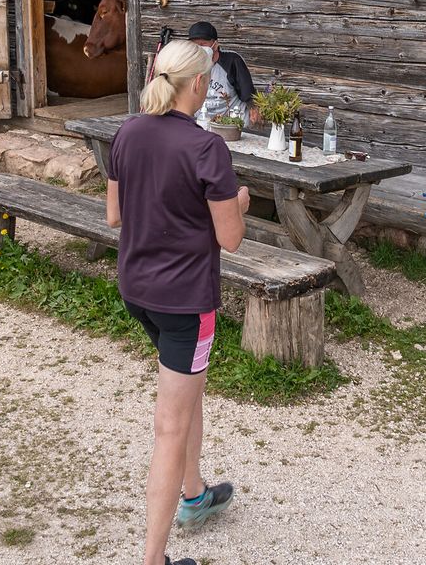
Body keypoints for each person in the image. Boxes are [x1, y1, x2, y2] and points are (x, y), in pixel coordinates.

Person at [105, 40, 252, 565]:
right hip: (186, 303)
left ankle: (195, 494)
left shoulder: (128, 131)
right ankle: (153, 559)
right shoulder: (207, 148)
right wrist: (239, 201)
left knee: (188, 394)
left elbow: (114, 217)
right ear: (197, 86)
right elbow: (230, 239)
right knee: (170, 424)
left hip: (137, 290)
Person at [185, 21, 253, 126]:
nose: (199, 49)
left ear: (215, 45)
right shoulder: (188, 64)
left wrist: (254, 109)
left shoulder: (232, 61)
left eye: (203, 44)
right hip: (202, 122)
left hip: (232, 124)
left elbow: (248, 94)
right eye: (195, 45)